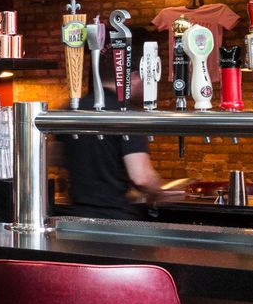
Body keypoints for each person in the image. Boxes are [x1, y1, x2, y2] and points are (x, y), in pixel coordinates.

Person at [55, 86, 170, 220]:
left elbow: (55, 156)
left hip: (78, 215)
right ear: (133, 76)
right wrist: (159, 191)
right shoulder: (125, 113)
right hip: (115, 220)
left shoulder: (70, 109)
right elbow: (141, 178)